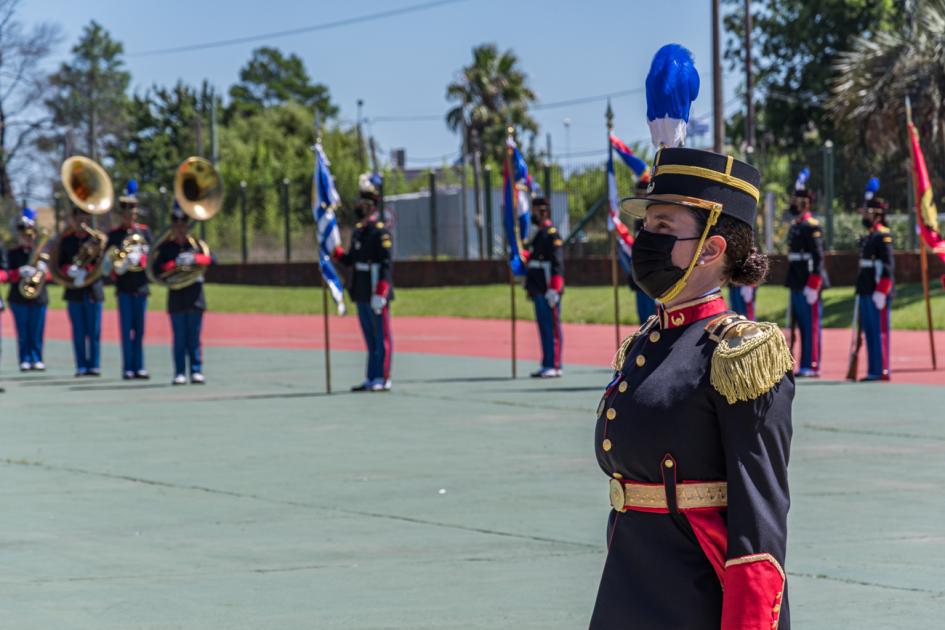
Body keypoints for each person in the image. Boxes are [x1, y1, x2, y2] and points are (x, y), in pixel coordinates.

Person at [590, 43, 793, 629]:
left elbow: (759, 526)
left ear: (710, 248)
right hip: (631, 585)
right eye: (645, 224)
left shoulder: (741, 355)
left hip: (697, 599)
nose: (644, 238)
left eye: (661, 226)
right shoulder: (647, 344)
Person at [335, 173, 394, 391]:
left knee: (382, 337)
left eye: (363, 203)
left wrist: (381, 292)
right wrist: (336, 253)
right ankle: (371, 376)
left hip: (376, 288)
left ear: (371, 206)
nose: (359, 206)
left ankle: (383, 376)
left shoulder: (381, 232)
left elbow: (386, 264)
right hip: (361, 289)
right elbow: (352, 259)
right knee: (369, 337)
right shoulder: (359, 232)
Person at [152, 204, 212, 385]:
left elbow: (212, 259)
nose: (179, 228)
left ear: (187, 226)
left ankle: (196, 370)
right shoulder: (166, 247)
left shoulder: (196, 245)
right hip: (177, 298)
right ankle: (179, 372)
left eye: (183, 224)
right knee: (179, 338)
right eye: (176, 224)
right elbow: (156, 270)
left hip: (195, 297)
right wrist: (173, 265)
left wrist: (195, 259)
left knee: (194, 338)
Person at [106, 180, 152, 379]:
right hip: (124, 287)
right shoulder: (115, 235)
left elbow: (152, 258)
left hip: (141, 286)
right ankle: (127, 367)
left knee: (140, 331)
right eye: (125, 210)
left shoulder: (144, 232)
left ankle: (139, 365)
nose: (129, 214)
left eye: (132, 210)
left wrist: (140, 258)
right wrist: (120, 266)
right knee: (126, 331)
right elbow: (108, 264)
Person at [783, 168, 825, 377]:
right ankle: (802, 362)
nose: (792, 203)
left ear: (804, 203)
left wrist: (814, 283)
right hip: (796, 280)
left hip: (808, 282)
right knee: (798, 324)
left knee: (810, 325)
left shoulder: (811, 226)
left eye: (795, 200)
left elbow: (818, 256)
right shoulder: (796, 226)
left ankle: (812, 363)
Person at [58, 206, 106, 376]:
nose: (82, 221)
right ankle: (81, 365)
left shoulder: (96, 239)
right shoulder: (67, 240)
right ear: (73, 218)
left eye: (85, 217)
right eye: (78, 217)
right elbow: (59, 263)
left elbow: (103, 264)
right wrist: (69, 270)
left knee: (94, 331)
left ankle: (94, 364)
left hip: (93, 290)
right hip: (74, 291)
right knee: (78, 331)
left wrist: (88, 270)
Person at [2, 209, 49, 371]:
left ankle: (37, 358)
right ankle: (24, 359)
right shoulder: (12, 253)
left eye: (30, 235)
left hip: (39, 297)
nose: (28, 238)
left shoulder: (42, 254)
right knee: (22, 332)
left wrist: (43, 271)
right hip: (18, 298)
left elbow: (51, 277)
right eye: (24, 235)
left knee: (37, 331)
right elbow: (6, 274)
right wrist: (18, 272)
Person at [856, 188, 894, 381]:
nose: (865, 217)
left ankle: (881, 369)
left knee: (879, 332)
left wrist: (882, 291)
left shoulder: (883, 236)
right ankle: (873, 369)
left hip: (877, 291)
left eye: (868, 213)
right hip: (866, 288)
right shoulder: (871, 236)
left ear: (878, 216)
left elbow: (887, 267)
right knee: (870, 331)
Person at [523, 197, 564, 378]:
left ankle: (555, 365)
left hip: (549, 289)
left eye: (535, 211)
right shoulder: (538, 234)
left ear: (544, 212)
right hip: (538, 288)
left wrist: (555, 288)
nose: (532, 215)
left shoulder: (551, 234)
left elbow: (557, 263)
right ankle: (546, 363)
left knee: (551, 327)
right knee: (543, 326)